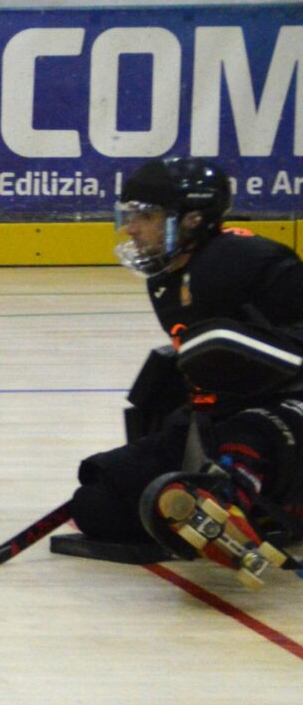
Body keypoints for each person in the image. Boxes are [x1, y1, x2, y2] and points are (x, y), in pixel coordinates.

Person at [68, 157, 303, 586]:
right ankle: (222, 508)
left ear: (192, 219)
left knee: (253, 430)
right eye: (130, 215)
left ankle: (237, 498)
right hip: (220, 413)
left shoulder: (248, 258)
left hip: (288, 412)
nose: (132, 228)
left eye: (147, 216)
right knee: (97, 503)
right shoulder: (164, 278)